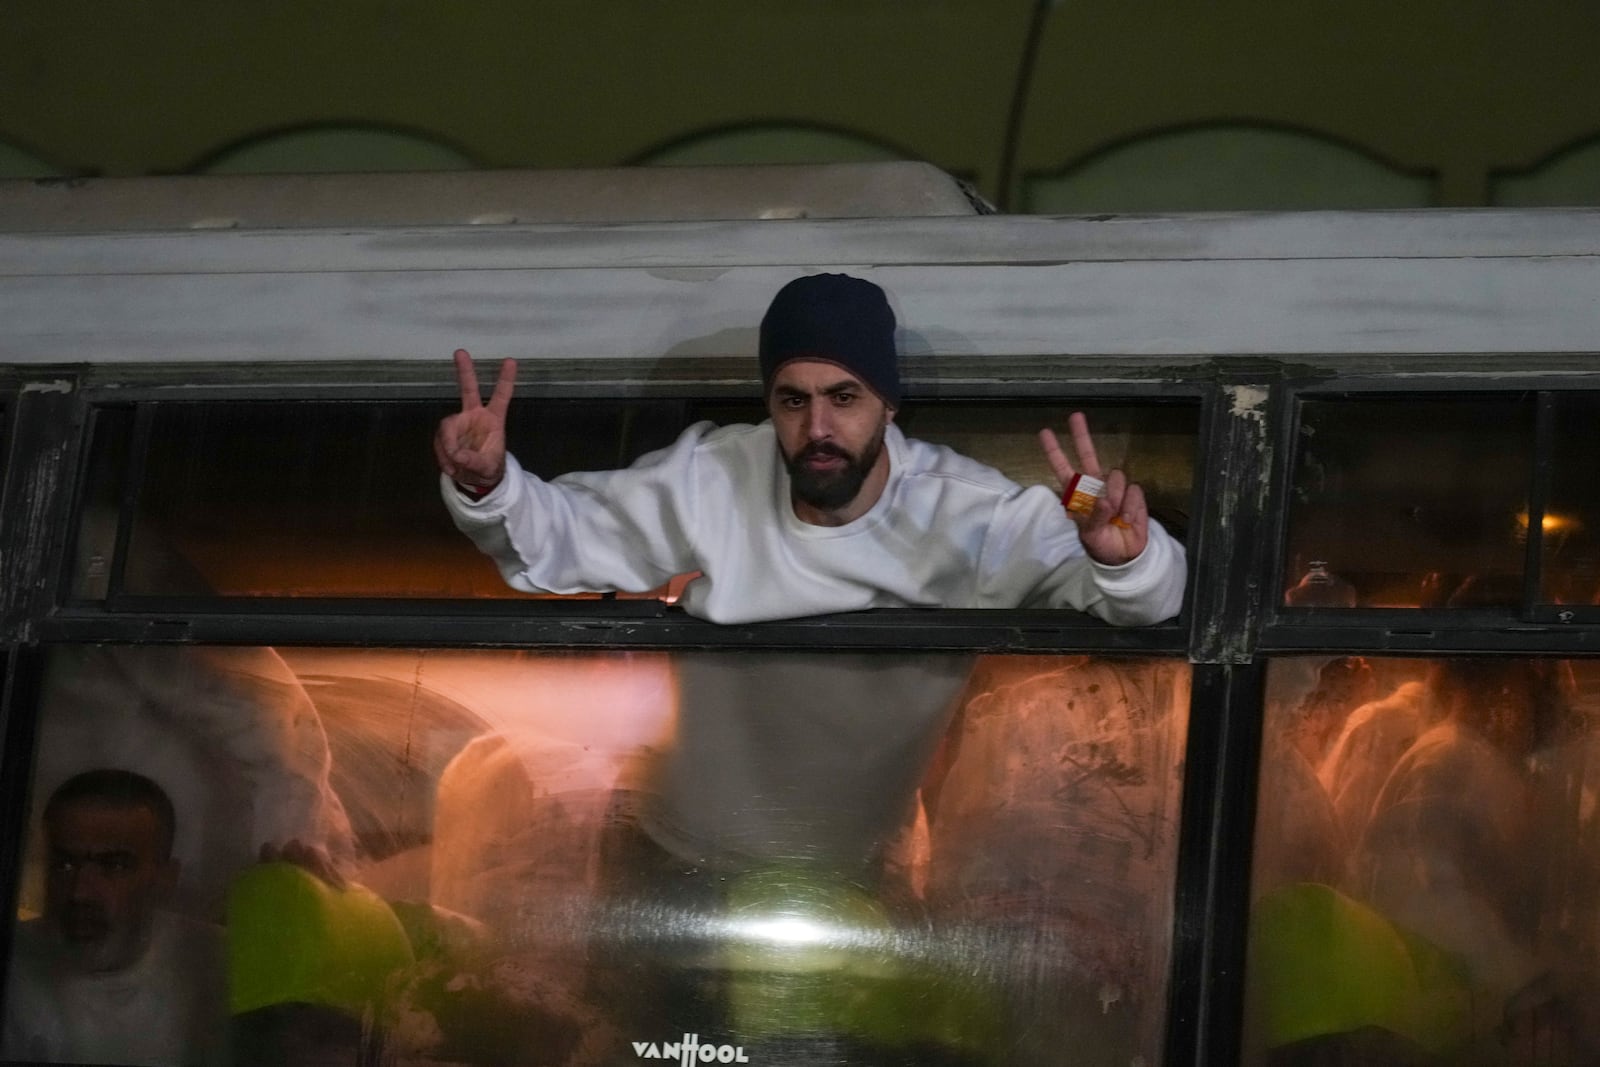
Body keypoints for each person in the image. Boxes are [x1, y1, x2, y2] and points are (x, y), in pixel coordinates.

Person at [435, 272, 1186, 626]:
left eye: (845, 397)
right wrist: (491, 484)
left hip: (880, 852)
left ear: (889, 405)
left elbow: (1152, 605)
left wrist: (1126, 560)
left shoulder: (974, 515)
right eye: (794, 400)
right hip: (689, 837)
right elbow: (559, 539)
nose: (817, 428)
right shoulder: (711, 479)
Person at [2, 769, 228, 1065]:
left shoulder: (216, 963)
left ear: (164, 879)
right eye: (65, 864)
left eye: (114, 866)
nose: (80, 892)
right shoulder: (13, 962)